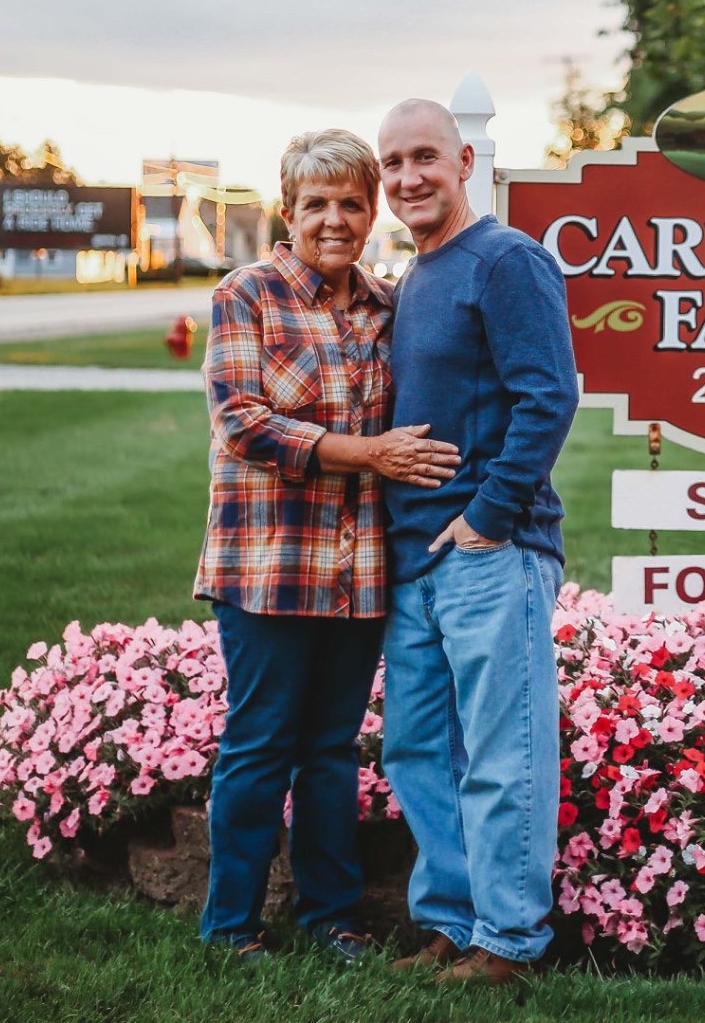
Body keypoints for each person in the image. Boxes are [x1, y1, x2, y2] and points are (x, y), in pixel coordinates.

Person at [194, 128, 460, 965]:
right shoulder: (250, 294)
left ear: (371, 209)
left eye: (352, 202)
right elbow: (243, 423)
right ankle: (231, 924)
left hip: (358, 569)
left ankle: (331, 917)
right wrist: (368, 453)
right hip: (267, 565)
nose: (336, 220)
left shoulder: (388, 306)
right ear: (288, 210)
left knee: (332, 749)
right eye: (318, 204)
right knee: (260, 741)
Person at [376, 98, 579, 986]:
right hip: (413, 558)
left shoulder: (506, 260)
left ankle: (508, 939)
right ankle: (452, 921)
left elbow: (550, 396)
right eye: (393, 163)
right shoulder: (421, 272)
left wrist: (490, 517)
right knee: (419, 750)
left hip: (490, 550)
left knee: (502, 753)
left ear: (464, 160)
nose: (409, 177)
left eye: (425, 156)